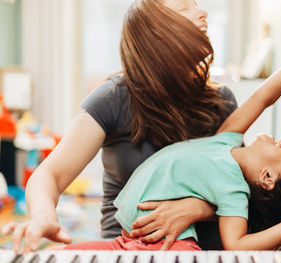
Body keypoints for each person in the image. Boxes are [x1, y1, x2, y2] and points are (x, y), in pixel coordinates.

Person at [51, 30, 281, 251]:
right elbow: (262, 98)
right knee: (56, 256)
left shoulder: (234, 191)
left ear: (267, 178)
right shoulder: (226, 140)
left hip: (170, 245)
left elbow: (236, 244)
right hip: (128, 240)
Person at [1, 0, 240, 253]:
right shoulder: (113, 97)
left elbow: (244, 186)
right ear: (156, 34)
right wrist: (42, 215)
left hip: (207, 250)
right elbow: (50, 174)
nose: (202, 12)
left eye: (198, 5)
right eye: (185, 9)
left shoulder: (222, 101)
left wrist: (198, 208)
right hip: (127, 249)